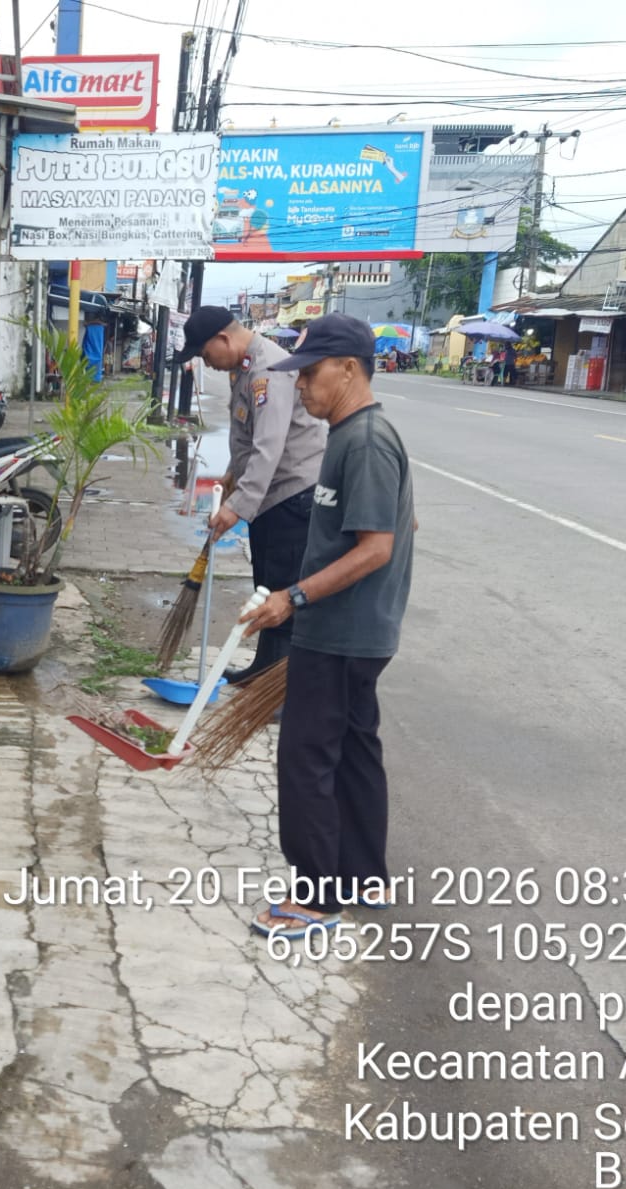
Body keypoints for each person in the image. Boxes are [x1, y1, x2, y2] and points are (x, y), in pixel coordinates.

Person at [238, 313, 416, 937]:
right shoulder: (348, 436)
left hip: (342, 633)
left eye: (310, 373)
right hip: (354, 629)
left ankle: (315, 896)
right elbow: (400, 524)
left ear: (348, 369)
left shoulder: (364, 441)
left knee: (307, 756)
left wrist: (294, 597)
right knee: (355, 751)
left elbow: (377, 548)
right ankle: (364, 876)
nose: (302, 385)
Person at [174, 306, 326, 684]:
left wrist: (236, 507)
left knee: (282, 592)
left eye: (205, 354)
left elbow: (268, 448)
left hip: (292, 495)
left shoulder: (266, 371)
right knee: (266, 584)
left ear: (223, 339)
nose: (207, 363)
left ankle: (278, 689)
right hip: (271, 496)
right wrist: (232, 476)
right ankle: (264, 668)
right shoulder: (244, 367)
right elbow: (248, 437)